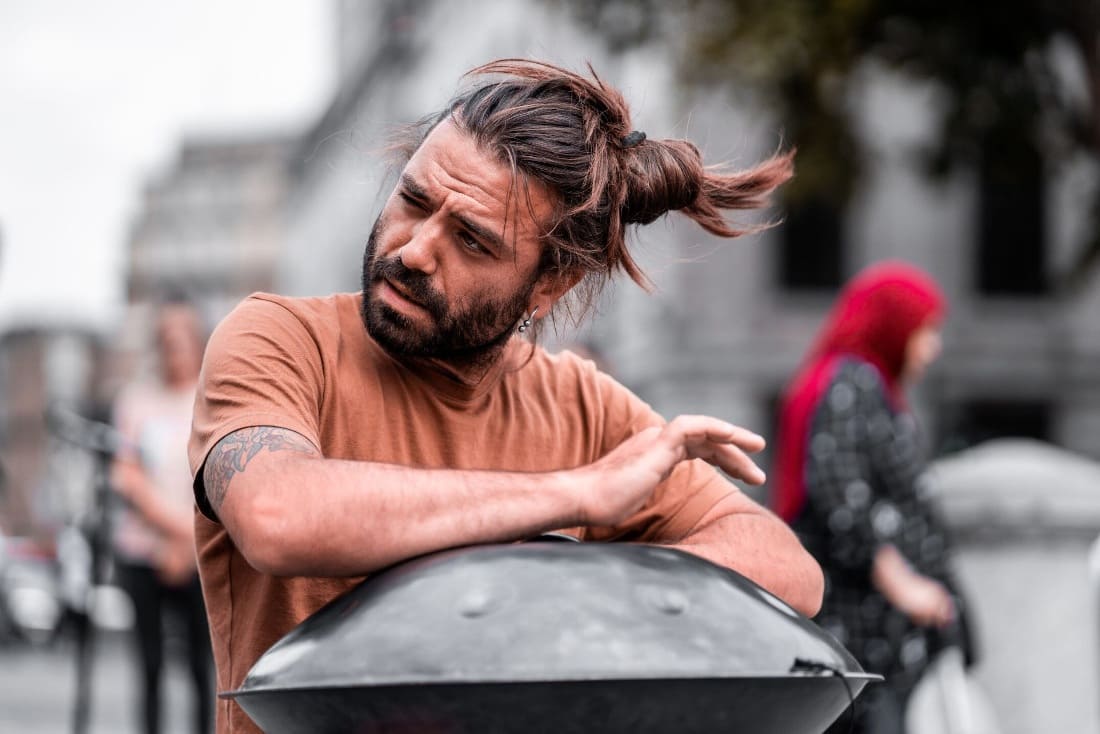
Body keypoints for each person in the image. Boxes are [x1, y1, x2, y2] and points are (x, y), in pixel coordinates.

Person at [187, 59, 825, 733]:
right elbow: (278, 515)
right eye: (413, 200)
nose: (414, 250)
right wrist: (577, 496)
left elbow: (788, 570)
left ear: (549, 286)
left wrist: (582, 585)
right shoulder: (281, 339)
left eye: (471, 240)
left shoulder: (581, 403)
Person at [769, 262, 972, 734]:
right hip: (865, 635)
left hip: (877, 637)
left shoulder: (859, 383)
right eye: (926, 331)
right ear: (894, 326)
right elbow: (839, 494)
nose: (932, 347)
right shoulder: (851, 382)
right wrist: (904, 585)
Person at [112, 298, 214, 734]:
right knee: (150, 666)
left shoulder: (212, 399)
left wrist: (190, 544)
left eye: (182, 335)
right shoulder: (136, 402)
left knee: (201, 666)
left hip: (199, 555)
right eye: (166, 336)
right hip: (144, 552)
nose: (174, 345)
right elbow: (127, 478)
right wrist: (176, 535)